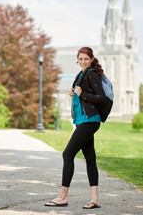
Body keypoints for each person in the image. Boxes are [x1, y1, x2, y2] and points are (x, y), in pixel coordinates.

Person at [45, 47, 106, 209]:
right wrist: (74, 94)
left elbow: (101, 97)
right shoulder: (81, 74)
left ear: (92, 59)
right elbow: (82, 94)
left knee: (67, 154)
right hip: (82, 120)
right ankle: (95, 200)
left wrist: (82, 94)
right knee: (90, 159)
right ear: (77, 60)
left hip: (89, 120)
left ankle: (62, 197)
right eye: (81, 59)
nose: (83, 61)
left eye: (86, 58)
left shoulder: (92, 73)